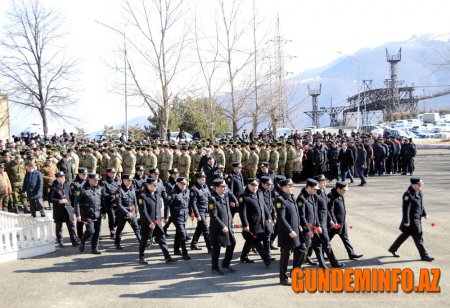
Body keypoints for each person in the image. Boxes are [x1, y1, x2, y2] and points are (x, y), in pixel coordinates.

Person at [388, 176, 434, 261]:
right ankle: (424, 256)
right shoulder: (408, 194)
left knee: (405, 234)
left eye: (421, 184)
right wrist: (406, 221)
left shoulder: (419, 192)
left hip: (418, 218)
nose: (421, 186)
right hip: (412, 221)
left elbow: (421, 204)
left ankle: (392, 249)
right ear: (413, 185)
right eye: (419, 185)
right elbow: (406, 209)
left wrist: (424, 214)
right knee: (418, 236)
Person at [137, 178, 177, 264]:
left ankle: (167, 257)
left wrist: (159, 219)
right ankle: (141, 256)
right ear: (148, 185)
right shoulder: (142, 196)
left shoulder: (157, 194)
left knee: (162, 239)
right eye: (153, 185)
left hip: (157, 221)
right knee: (144, 240)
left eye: (156, 185)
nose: (155, 187)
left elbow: (158, 208)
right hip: (148, 222)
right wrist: (149, 222)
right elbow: (143, 211)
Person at [276, 178, 308, 286]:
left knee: (302, 249)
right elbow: (281, 218)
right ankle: (283, 279)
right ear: (284, 187)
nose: (292, 188)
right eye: (290, 186)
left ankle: (294, 272)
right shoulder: (280, 200)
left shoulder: (292, 197)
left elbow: (296, 214)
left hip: (296, 230)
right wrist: (290, 230)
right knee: (285, 256)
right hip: (287, 233)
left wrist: (298, 225)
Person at [238, 178, 272, 266]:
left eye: (256, 185)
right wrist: (245, 225)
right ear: (248, 185)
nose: (254, 187)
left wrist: (268, 216)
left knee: (250, 240)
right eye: (252, 185)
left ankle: (243, 256)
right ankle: (266, 258)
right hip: (251, 224)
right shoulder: (243, 196)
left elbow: (264, 205)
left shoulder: (259, 193)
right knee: (256, 240)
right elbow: (242, 213)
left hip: (260, 223)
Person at [327, 181, 363, 260]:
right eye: (343, 190)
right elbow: (330, 211)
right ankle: (314, 251)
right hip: (334, 224)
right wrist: (334, 222)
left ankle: (351, 253)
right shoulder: (331, 196)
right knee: (326, 239)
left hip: (342, 222)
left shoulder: (340, 195)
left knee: (345, 238)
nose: (345, 192)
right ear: (338, 189)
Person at [314, 174, 343, 268]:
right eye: (323, 181)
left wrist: (330, 219)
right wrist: (317, 225)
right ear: (318, 183)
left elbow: (326, 208)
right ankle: (334, 264)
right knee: (325, 244)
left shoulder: (322, 192)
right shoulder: (315, 194)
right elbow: (315, 211)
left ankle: (323, 265)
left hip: (324, 222)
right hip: (318, 223)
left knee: (318, 245)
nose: (325, 183)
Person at [209, 179, 236, 275]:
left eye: (225, 186)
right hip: (217, 228)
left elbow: (228, 211)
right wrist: (222, 226)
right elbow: (213, 216)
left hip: (227, 226)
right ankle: (214, 267)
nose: (224, 188)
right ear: (216, 188)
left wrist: (231, 221)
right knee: (217, 248)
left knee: (232, 243)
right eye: (222, 186)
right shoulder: (213, 199)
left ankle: (226, 263)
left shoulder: (225, 196)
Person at [75, 173, 106, 254]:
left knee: (97, 232)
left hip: (97, 213)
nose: (96, 182)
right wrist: (78, 215)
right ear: (89, 180)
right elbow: (77, 203)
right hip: (87, 214)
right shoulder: (82, 189)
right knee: (90, 230)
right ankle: (82, 241)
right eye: (95, 180)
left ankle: (94, 248)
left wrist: (103, 212)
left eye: (97, 180)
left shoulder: (99, 188)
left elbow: (102, 201)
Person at [49, 171, 79, 248]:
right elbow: (49, 198)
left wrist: (75, 207)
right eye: (60, 178)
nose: (62, 179)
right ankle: (60, 242)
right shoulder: (53, 186)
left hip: (68, 209)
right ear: (57, 178)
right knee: (59, 227)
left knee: (71, 226)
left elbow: (71, 197)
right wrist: (59, 201)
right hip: (58, 210)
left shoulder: (68, 185)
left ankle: (74, 241)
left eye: (63, 177)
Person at [165, 177, 191, 260]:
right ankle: (184, 253)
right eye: (181, 184)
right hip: (176, 216)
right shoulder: (173, 193)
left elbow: (188, 203)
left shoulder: (187, 191)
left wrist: (191, 212)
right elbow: (167, 205)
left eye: (185, 184)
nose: (183, 186)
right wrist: (166, 216)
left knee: (178, 233)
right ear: (177, 183)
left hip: (184, 215)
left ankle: (176, 249)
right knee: (183, 234)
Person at [114, 174, 141, 249]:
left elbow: (135, 201)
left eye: (131, 181)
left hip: (132, 213)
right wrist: (127, 213)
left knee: (136, 228)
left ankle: (141, 242)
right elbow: (118, 204)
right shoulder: (119, 191)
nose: (130, 182)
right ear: (124, 180)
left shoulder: (132, 188)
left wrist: (135, 211)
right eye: (129, 180)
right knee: (120, 229)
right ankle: (117, 243)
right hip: (123, 214)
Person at [189, 172, 212, 252]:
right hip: (200, 212)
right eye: (202, 179)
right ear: (198, 179)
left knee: (199, 228)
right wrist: (197, 215)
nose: (204, 180)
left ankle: (193, 244)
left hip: (205, 211)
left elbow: (209, 198)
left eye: (204, 179)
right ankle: (210, 248)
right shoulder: (194, 189)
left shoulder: (205, 187)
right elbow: (193, 203)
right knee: (206, 229)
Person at [101, 168, 121, 239]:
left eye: (114, 172)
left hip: (118, 202)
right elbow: (103, 193)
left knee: (119, 218)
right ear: (108, 174)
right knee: (112, 218)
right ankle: (112, 232)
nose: (113, 174)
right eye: (111, 173)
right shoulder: (104, 183)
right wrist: (111, 196)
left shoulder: (119, 181)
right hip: (110, 203)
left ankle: (114, 226)